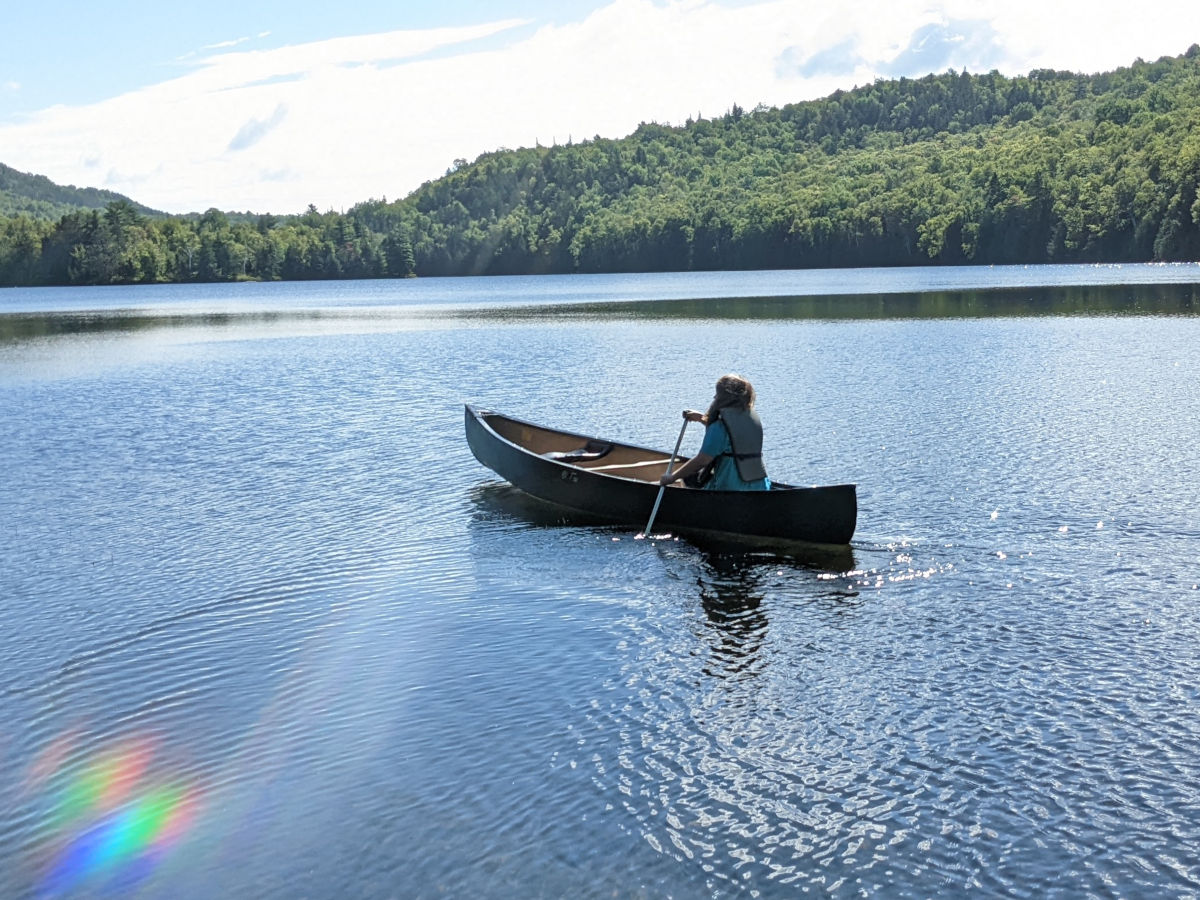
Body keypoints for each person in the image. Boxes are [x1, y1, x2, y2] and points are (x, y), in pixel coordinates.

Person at [658, 374, 771, 491]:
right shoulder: (750, 421)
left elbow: (702, 460)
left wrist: (672, 478)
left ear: (723, 399)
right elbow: (731, 437)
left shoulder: (720, 427)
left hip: (731, 487)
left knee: (687, 477)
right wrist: (701, 418)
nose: (714, 397)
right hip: (760, 486)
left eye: (717, 394)